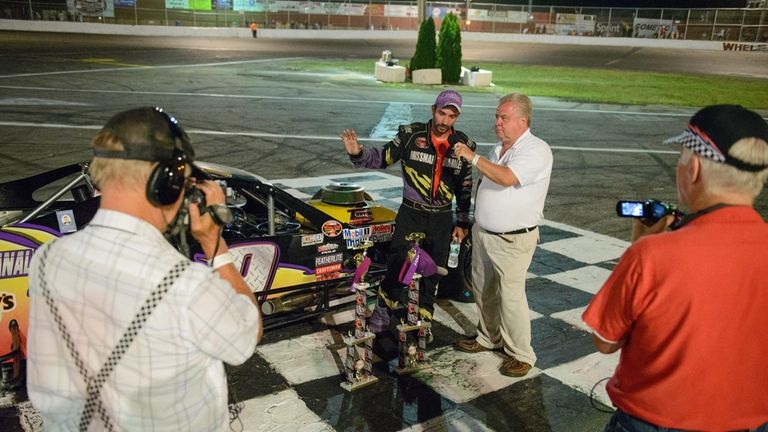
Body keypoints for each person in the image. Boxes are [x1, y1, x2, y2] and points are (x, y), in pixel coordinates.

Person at [27, 107, 262, 431]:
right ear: (165, 183)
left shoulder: (45, 260)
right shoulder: (185, 284)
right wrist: (214, 244)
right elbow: (246, 337)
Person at [582, 105, 768, 432]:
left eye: (680, 159)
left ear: (693, 168)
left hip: (655, 422)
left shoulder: (652, 255)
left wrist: (639, 247)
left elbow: (605, 341)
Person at [340, 90, 476, 332]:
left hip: (442, 218)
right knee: (397, 265)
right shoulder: (410, 135)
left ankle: (424, 323)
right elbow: (381, 158)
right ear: (433, 109)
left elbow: (464, 187)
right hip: (411, 214)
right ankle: (381, 317)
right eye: (442, 113)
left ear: (457, 117)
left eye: (451, 117)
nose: (444, 121)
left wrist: (463, 223)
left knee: (432, 274)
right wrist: (357, 154)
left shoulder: (464, 146)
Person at [452, 93, 553, 377]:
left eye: (504, 118)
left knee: (511, 296)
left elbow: (507, 178)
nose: (497, 122)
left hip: (513, 239)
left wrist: (473, 157)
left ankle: (521, 353)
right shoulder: (499, 149)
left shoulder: (536, 149)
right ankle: (488, 337)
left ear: (523, 120)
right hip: (484, 234)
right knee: (483, 291)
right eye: (497, 116)